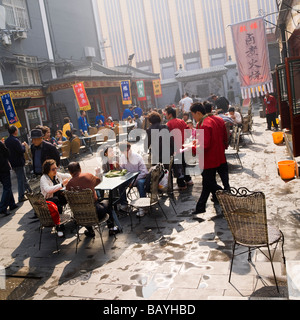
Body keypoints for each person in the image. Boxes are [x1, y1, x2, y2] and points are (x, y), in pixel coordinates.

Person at [190, 103, 228, 214]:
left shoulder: (204, 124)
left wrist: (192, 148)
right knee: (207, 183)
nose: (193, 118)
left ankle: (225, 194)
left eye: (193, 115)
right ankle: (200, 207)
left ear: (198, 113)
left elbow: (204, 145)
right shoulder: (210, 121)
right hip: (216, 155)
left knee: (208, 183)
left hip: (209, 158)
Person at [66, 162, 120, 237]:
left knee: (81, 209)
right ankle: (112, 228)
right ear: (80, 169)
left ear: (70, 172)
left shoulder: (69, 184)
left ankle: (90, 231)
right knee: (107, 201)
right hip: (96, 212)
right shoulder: (87, 176)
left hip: (80, 216)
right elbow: (98, 181)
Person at [165, 106, 193, 190]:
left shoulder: (169, 124)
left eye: (166, 114)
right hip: (183, 146)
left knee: (177, 166)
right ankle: (188, 180)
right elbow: (188, 132)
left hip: (175, 148)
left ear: (170, 115)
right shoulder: (182, 121)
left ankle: (181, 184)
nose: (165, 116)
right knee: (184, 164)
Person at [118, 142, 148, 217]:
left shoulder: (137, 157)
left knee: (140, 183)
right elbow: (123, 169)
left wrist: (135, 180)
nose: (127, 153)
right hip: (130, 178)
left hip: (140, 177)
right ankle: (124, 204)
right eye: (124, 151)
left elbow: (144, 172)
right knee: (120, 184)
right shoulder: (122, 157)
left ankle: (143, 207)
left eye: (127, 150)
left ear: (129, 149)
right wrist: (118, 167)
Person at [5, 125, 31, 202]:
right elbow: (21, 150)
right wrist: (23, 146)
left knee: (23, 178)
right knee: (21, 179)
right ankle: (21, 196)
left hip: (13, 162)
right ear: (15, 131)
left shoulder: (7, 141)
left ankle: (29, 191)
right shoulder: (15, 140)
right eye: (17, 129)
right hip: (19, 162)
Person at [0, 140, 17, 215]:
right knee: (7, 187)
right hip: (3, 168)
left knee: (7, 186)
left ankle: (12, 204)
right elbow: (7, 153)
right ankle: (2, 207)